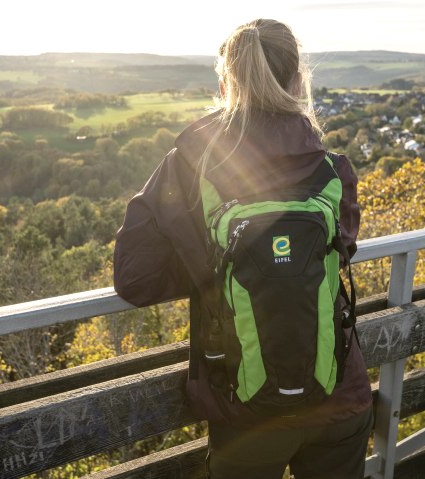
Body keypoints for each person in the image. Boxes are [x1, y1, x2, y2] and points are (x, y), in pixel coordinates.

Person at [114, 18, 372, 479]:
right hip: (339, 395)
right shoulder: (333, 170)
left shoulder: (191, 164)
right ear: (298, 80)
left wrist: (213, 266)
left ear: (224, 82)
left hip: (246, 409)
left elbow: (135, 278)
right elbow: (335, 254)